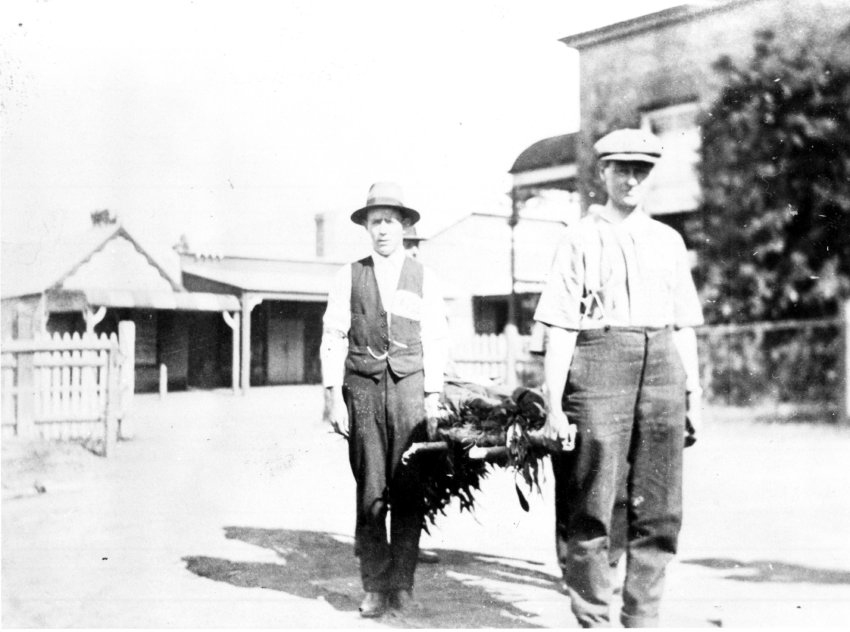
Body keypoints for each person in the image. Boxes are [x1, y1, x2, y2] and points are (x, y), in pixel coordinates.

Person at [534, 128, 704, 628]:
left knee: (659, 505)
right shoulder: (579, 239)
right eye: (621, 169)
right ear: (602, 173)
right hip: (599, 362)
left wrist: (692, 394)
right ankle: (593, 618)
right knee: (594, 500)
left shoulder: (668, 240)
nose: (631, 179)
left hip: (662, 367)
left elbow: (685, 327)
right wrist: (553, 405)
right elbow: (562, 328)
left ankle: (643, 617)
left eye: (641, 171)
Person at [321, 182, 449, 618]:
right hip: (363, 390)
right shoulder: (349, 275)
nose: (382, 230)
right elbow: (333, 337)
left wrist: (433, 396)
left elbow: (435, 338)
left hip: (410, 390)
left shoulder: (423, 277)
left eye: (390, 221)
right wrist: (332, 398)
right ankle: (374, 586)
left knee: (409, 488)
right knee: (371, 488)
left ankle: (403, 584)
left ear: (404, 226)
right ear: (366, 227)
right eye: (375, 222)